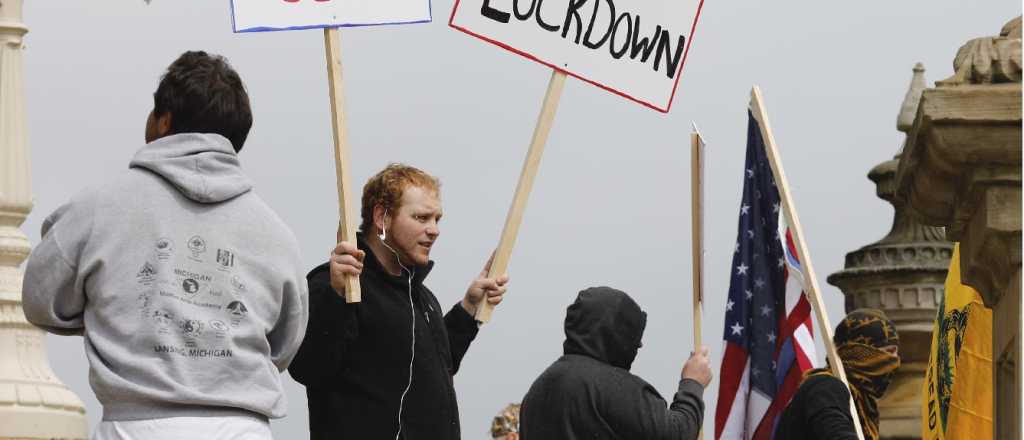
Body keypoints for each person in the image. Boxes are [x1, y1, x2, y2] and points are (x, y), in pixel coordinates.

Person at [21, 51, 309, 439]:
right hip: (243, 428)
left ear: (164, 120)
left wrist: (109, 316)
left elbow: (41, 299)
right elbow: (283, 345)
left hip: (137, 426)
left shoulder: (97, 209)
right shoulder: (276, 234)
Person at [288, 163, 509, 440]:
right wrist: (335, 296)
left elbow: (433, 367)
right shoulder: (338, 284)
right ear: (381, 217)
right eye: (421, 217)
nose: (434, 230)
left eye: (437, 219)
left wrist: (468, 309)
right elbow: (308, 367)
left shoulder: (423, 298)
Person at [519, 286, 711, 440]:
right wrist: (693, 384)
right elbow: (676, 433)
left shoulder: (537, 390)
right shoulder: (610, 386)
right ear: (615, 335)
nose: (638, 346)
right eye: (633, 336)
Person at [774, 308, 901, 440]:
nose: (896, 361)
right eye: (889, 351)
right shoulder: (825, 387)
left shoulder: (863, 403)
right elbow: (836, 433)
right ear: (859, 352)